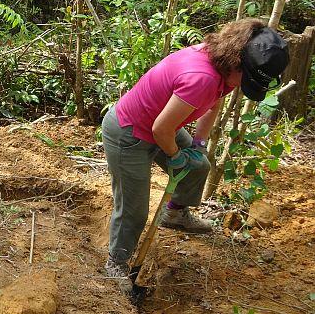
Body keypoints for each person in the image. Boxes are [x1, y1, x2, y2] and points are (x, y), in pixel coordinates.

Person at [102, 19, 289, 293]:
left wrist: (198, 144)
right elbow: (160, 129)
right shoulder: (202, 76)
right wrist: (176, 156)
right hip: (129, 134)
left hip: (161, 126)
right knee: (134, 211)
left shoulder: (221, 67)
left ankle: (175, 214)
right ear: (236, 61)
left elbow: (212, 106)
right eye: (245, 79)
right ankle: (116, 263)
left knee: (199, 165)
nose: (241, 86)